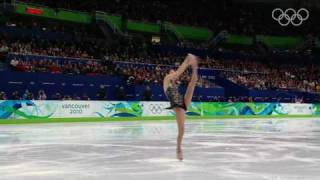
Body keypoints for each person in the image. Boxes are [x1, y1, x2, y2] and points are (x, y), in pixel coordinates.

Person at [163, 53, 198, 161]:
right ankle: (178, 148)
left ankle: (195, 67)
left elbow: (179, 74)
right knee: (182, 129)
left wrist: (194, 66)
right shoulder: (167, 79)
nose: (173, 72)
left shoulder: (174, 85)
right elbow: (178, 72)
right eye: (171, 71)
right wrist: (187, 60)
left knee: (193, 82)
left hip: (181, 103)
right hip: (177, 105)